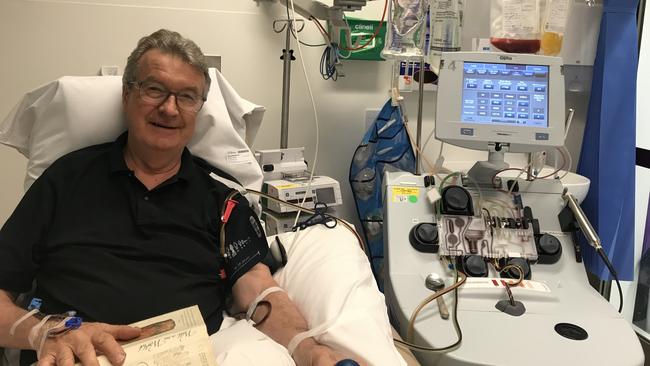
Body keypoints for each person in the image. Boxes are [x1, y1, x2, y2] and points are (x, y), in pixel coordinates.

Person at [0, 29, 362, 366]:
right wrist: (46, 332)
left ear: (198, 109)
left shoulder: (222, 198)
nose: (170, 109)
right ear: (127, 95)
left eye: (186, 97)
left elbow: (256, 286)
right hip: (77, 353)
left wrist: (308, 349)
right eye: (154, 90)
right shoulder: (66, 180)